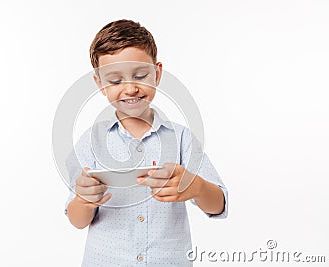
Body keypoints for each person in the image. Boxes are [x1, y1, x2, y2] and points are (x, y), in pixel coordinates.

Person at [64, 19, 228, 266]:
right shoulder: (91, 141)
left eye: (141, 75)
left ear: (157, 73)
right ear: (100, 84)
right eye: (115, 81)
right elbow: (77, 220)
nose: (130, 89)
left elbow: (220, 205)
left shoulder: (181, 138)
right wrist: (84, 200)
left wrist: (197, 187)